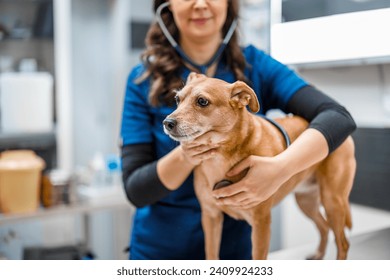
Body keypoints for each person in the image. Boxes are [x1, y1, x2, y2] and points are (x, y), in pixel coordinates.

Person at [120, 0, 356, 260]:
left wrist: (283, 167)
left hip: (237, 256)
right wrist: (186, 155)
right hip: (159, 252)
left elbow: (339, 117)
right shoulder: (141, 79)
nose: (200, 4)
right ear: (167, 6)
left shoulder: (256, 64)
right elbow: (135, 190)